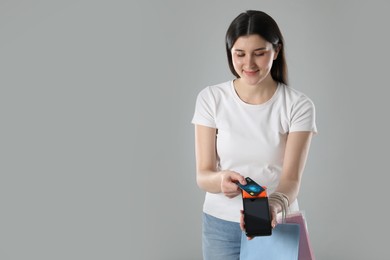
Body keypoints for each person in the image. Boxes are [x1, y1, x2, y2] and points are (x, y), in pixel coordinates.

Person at [191, 10, 317, 260]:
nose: (248, 64)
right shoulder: (211, 99)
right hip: (220, 225)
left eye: (259, 54)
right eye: (240, 54)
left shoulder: (298, 105)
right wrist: (220, 180)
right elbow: (203, 175)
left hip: (273, 223)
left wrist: (271, 207)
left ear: (276, 51)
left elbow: (291, 180)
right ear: (230, 53)